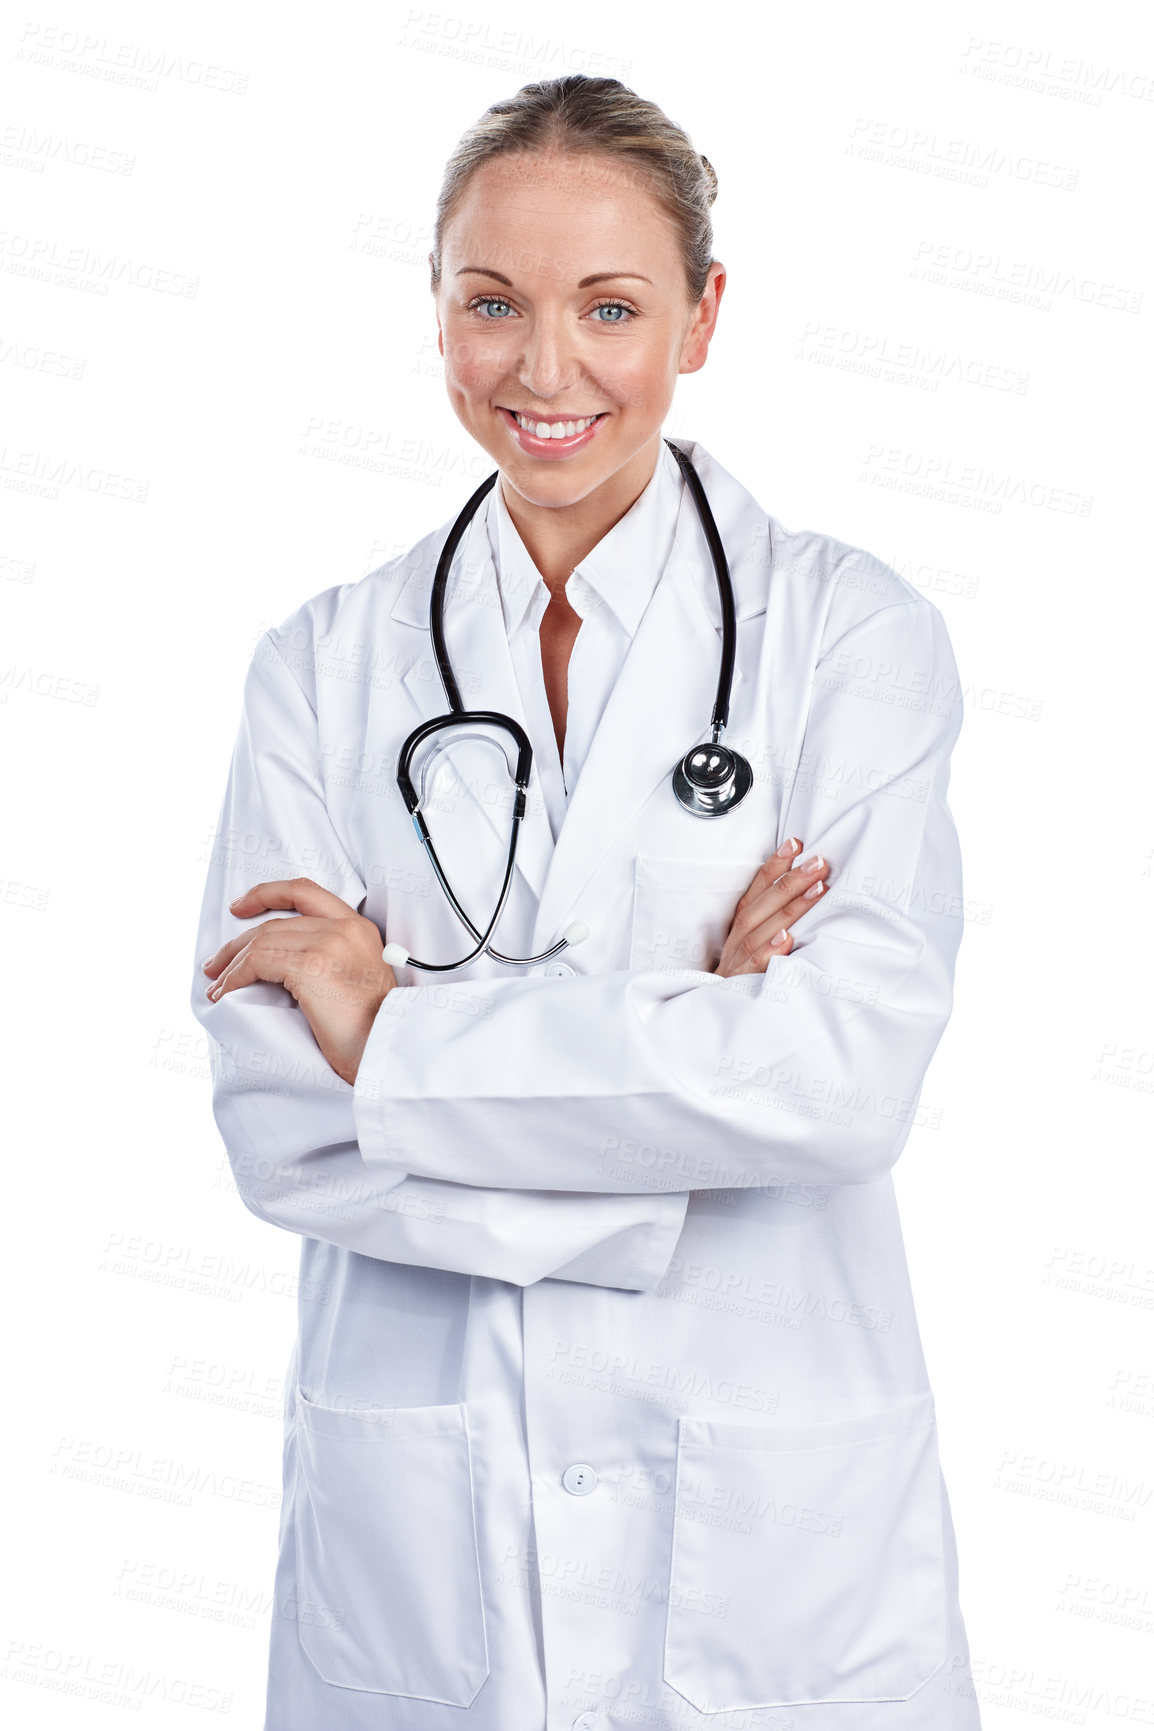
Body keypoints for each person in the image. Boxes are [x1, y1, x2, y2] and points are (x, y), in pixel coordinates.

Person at [191, 74, 981, 1731]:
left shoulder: (846, 639)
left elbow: (841, 1085)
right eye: (492, 304)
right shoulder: (322, 670)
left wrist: (396, 1035)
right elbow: (281, 1128)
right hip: (420, 1543)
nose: (544, 372)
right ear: (436, 314)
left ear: (701, 318)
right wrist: (699, 1067)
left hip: (771, 1553)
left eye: (607, 307)